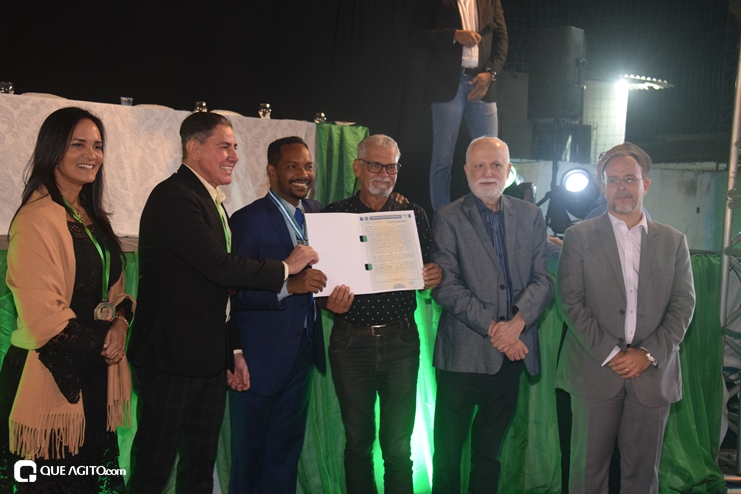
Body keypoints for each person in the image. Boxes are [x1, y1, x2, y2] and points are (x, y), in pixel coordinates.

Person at [126, 113, 318, 494]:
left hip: (209, 361)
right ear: (194, 148)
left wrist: (234, 349)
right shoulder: (174, 196)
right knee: (153, 471)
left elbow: (220, 295)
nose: (233, 155)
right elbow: (220, 267)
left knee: (199, 471)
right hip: (170, 360)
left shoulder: (210, 200)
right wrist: (286, 267)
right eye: (224, 146)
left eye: (235, 147)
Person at [0, 107, 134, 493]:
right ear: (54, 149)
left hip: (96, 372)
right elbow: (42, 316)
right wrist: (104, 344)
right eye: (78, 144)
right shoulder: (35, 218)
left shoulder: (91, 216)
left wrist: (121, 324)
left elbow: (117, 291)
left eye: (97, 145)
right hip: (50, 370)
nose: (91, 154)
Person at [556, 144, 695, 493]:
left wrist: (647, 355)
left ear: (645, 184)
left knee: (643, 477)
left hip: (652, 374)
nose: (621, 187)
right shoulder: (578, 237)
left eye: (630, 179)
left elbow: (683, 305)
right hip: (594, 371)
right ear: (603, 187)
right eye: (613, 180)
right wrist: (613, 354)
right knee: (587, 475)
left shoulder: (674, 241)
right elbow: (570, 302)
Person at [430, 136, 553, 493]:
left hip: (509, 362)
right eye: (479, 165)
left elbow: (543, 280)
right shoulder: (448, 217)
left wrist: (516, 325)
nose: (488, 172)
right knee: (447, 456)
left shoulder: (530, 216)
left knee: (489, 455)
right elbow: (445, 286)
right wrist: (496, 330)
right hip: (461, 359)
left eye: (496, 165)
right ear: (466, 171)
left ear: (509, 170)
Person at [322, 134, 442, 494]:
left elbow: (428, 270)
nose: (385, 174)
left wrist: (432, 276)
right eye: (376, 165)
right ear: (357, 167)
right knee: (358, 443)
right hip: (350, 342)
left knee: (398, 445)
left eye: (392, 167)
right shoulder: (333, 215)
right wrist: (326, 302)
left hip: (400, 339)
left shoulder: (412, 215)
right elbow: (318, 281)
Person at [228, 136, 335, 493]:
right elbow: (238, 293)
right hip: (259, 357)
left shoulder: (317, 212)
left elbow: (325, 277)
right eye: (292, 166)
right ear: (271, 171)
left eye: (308, 166)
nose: (303, 174)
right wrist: (291, 286)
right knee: (250, 454)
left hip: (302, 353)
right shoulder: (248, 220)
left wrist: (332, 298)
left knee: (286, 453)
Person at [409, 0, 508, 211]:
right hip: (447, 83)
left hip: (482, 84)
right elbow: (416, 34)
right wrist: (454, 35)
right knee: (442, 160)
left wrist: (490, 74)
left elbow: (501, 39)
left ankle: (488, 216)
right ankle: (443, 220)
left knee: (493, 156)